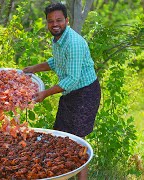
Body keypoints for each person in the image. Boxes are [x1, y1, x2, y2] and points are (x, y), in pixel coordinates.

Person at [23, 2, 101, 180]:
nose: (54, 24)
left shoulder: (73, 42)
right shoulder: (58, 39)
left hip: (85, 93)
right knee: (62, 136)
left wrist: (45, 93)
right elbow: (56, 62)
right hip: (70, 93)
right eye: (51, 21)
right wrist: (34, 68)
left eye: (59, 20)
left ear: (67, 20)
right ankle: (62, 174)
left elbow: (72, 79)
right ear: (47, 23)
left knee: (78, 138)